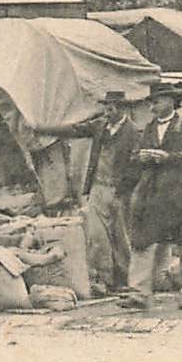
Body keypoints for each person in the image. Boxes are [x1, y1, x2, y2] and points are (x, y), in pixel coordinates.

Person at [32, 90, 140, 296]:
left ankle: (124, 279)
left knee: (121, 236)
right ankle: (103, 278)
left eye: (112, 108)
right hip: (98, 187)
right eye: (106, 107)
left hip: (120, 190)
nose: (108, 111)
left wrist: (122, 193)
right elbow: (74, 130)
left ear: (123, 108)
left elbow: (135, 168)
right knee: (97, 236)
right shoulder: (100, 125)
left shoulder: (133, 132)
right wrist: (42, 128)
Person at [123, 87, 182, 310]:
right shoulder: (149, 128)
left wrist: (169, 157)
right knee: (143, 241)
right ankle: (139, 293)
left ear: (170, 101)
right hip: (152, 196)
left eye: (157, 102)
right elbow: (134, 155)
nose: (152, 107)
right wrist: (141, 156)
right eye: (151, 103)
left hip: (180, 196)